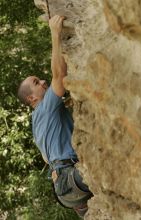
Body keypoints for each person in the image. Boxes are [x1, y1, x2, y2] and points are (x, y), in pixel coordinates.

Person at [17, 15, 92, 218]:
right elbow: (59, 76)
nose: (42, 81)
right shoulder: (45, 108)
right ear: (32, 98)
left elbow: (45, 156)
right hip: (70, 177)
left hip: (65, 187)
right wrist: (55, 32)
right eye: (36, 82)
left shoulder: (36, 122)